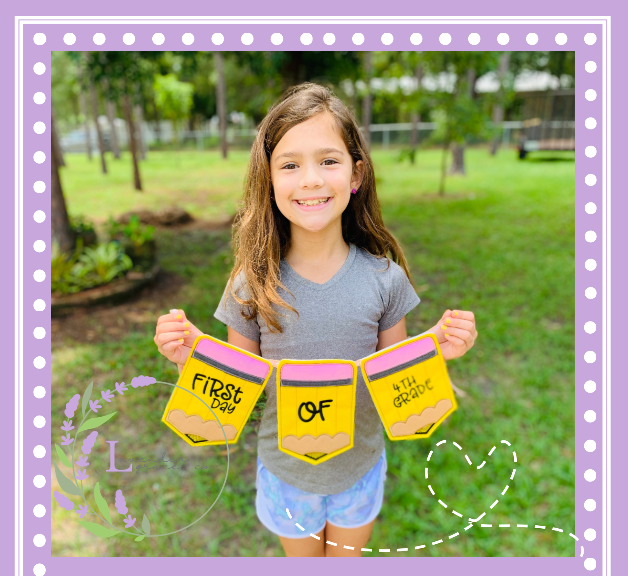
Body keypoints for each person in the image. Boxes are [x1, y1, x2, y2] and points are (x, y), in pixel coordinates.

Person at [154, 83, 478, 557]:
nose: (310, 179)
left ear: (356, 174)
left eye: (328, 160)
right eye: (290, 164)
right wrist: (192, 357)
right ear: (269, 179)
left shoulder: (384, 280)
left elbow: (395, 376)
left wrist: (435, 347)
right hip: (287, 475)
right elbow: (237, 386)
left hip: (360, 468)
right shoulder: (250, 285)